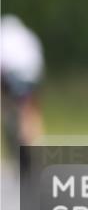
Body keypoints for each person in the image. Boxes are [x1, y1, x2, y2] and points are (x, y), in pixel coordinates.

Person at [0, 14, 46, 171]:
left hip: (13, 78)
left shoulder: (4, 38)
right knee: (29, 112)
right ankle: (34, 143)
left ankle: (21, 140)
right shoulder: (28, 36)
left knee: (12, 112)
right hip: (32, 79)